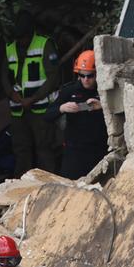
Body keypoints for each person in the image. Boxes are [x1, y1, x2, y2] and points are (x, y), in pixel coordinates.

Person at [1, 10, 60, 175]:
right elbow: (4, 76)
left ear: (30, 33)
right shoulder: (10, 48)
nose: (21, 41)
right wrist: (11, 94)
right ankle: (22, 188)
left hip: (40, 109)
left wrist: (34, 98)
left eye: (23, 37)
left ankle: (49, 184)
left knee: (44, 148)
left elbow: (53, 77)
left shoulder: (44, 44)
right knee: (21, 149)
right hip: (18, 110)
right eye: (18, 38)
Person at [45, 49, 109, 180]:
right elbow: (47, 115)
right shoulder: (70, 91)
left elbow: (122, 111)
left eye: (90, 76)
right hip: (74, 151)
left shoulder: (105, 90)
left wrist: (103, 106)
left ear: (98, 74)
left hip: (98, 149)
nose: (86, 80)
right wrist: (62, 108)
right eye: (82, 75)